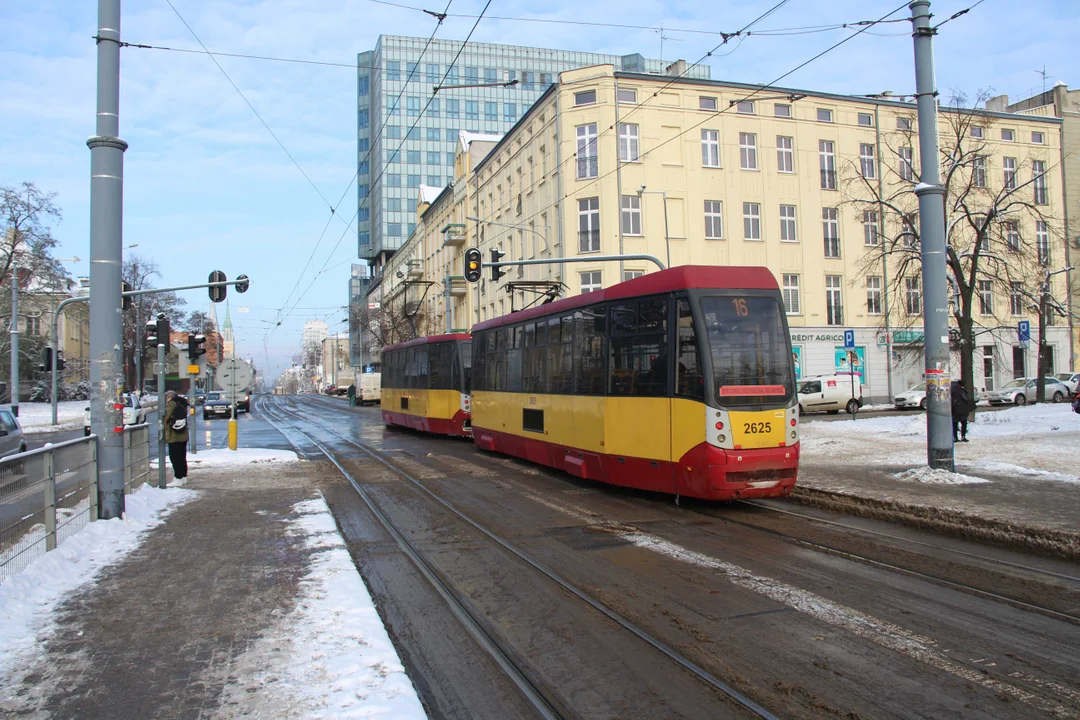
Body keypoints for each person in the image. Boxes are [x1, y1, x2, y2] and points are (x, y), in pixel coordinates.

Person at [164, 390, 190, 480]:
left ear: (169, 397)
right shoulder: (182, 403)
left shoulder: (172, 404)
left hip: (174, 436)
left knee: (175, 458)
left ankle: (178, 477)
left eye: (166, 398)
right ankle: (183, 477)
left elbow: (166, 417)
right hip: (183, 435)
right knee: (182, 457)